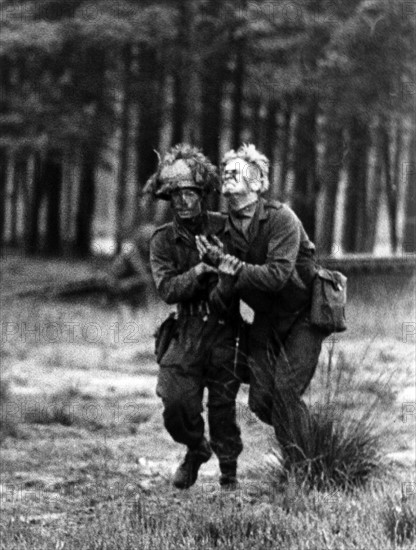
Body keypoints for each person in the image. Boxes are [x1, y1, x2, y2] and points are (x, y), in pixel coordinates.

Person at [196, 144, 327, 458]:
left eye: (235, 171)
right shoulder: (222, 230)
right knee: (260, 401)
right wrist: (222, 276)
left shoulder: (282, 219)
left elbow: (277, 276)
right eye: (224, 171)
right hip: (266, 320)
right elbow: (221, 296)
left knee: (285, 392)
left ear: (257, 183)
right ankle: (313, 440)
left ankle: (304, 465)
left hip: (303, 317)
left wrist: (229, 264)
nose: (227, 175)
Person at [148, 144, 243, 489]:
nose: (184, 202)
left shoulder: (227, 229)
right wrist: (201, 269)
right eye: (176, 195)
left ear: (203, 194)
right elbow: (167, 289)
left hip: (223, 330)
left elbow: (244, 275)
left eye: (190, 193)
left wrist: (224, 269)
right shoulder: (163, 240)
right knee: (174, 402)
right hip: (185, 329)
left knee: (223, 407)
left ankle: (229, 476)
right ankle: (195, 449)